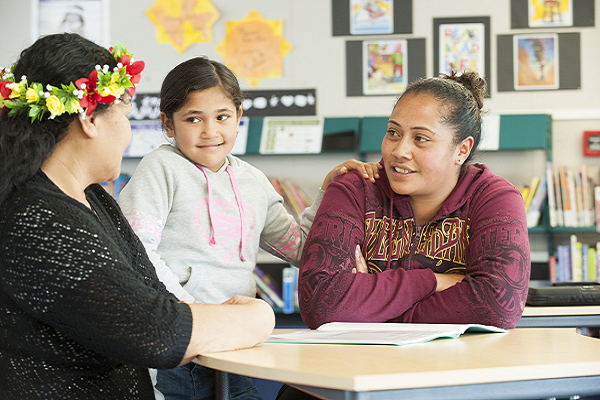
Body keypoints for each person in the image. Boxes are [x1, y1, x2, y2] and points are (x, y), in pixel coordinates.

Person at [0, 33, 275, 400]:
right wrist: (257, 317)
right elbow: (158, 332)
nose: (129, 132)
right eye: (126, 116)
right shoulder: (37, 219)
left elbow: (156, 296)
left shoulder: (95, 199)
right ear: (89, 120)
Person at [118, 56, 381, 400]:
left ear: (239, 117)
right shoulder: (159, 168)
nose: (210, 131)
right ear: (168, 124)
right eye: (193, 118)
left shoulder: (252, 182)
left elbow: (301, 248)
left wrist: (327, 193)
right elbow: (136, 250)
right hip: (180, 346)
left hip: (237, 346)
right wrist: (189, 311)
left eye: (222, 117)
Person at [276, 70, 532, 400]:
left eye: (420, 138)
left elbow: (498, 304)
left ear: (462, 150)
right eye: (393, 133)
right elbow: (322, 302)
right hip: (349, 375)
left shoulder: (495, 198)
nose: (399, 150)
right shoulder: (354, 188)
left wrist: (370, 311)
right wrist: (434, 281)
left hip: (456, 378)